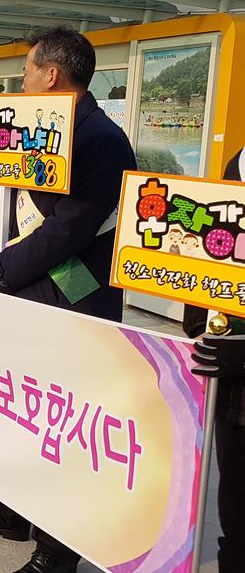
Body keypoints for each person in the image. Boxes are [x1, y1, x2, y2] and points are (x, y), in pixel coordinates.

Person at [0, 26, 136, 573]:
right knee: (11, 407)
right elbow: (4, 210)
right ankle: (5, 508)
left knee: (56, 425)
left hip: (69, 299)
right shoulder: (30, 132)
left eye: (27, 70)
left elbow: (69, 230)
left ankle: (56, 551)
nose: (22, 80)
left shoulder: (100, 139)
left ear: (52, 74)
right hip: (18, 291)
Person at [186, 145, 245, 573]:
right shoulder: (237, 163)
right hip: (234, 391)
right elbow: (216, 251)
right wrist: (197, 311)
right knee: (236, 510)